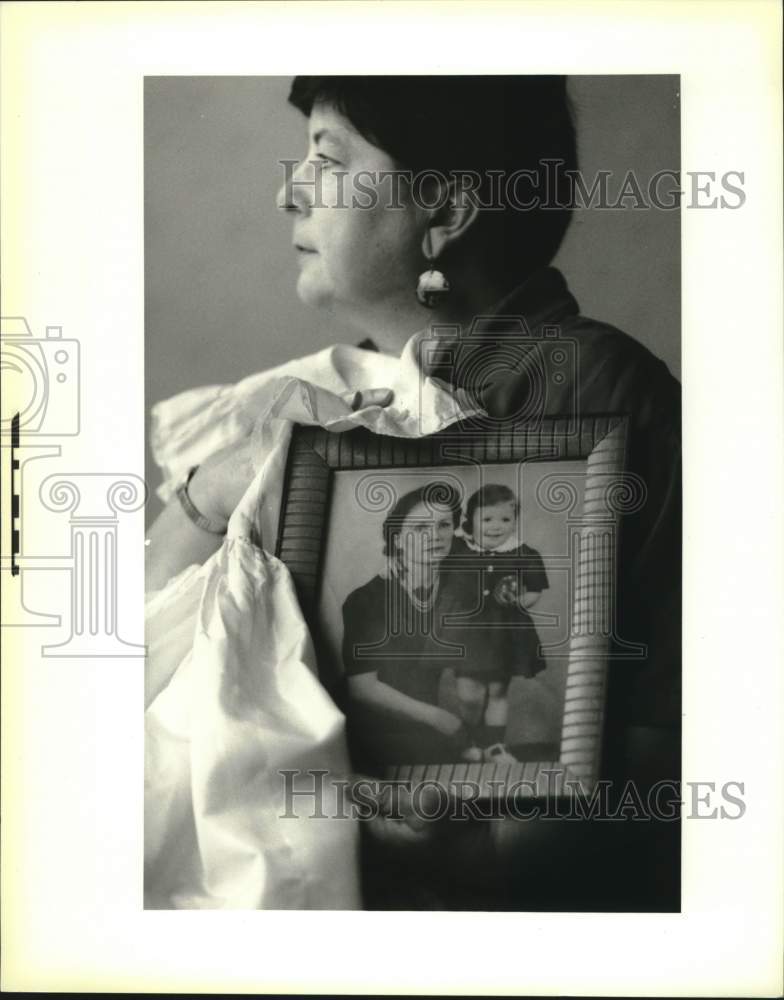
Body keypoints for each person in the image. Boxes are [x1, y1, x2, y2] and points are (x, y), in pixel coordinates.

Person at [145, 75, 681, 911]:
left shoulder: (594, 389)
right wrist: (209, 494)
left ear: (447, 212)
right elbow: (132, 640)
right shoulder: (316, 395)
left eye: (327, 159)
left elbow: (667, 734)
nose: (290, 192)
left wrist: (487, 859)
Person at [340, 482, 469, 768]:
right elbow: (362, 688)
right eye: (420, 528)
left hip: (440, 726)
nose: (435, 536)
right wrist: (438, 718)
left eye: (444, 525)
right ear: (397, 539)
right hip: (381, 733)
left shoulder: (456, 587)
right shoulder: (366, 601)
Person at [448, 483, 549, 764]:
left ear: (515, 521)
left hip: (505, 633)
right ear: (471, 521)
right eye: (487, 519)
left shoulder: (523, 553)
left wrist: (517, 601)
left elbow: (534, 591)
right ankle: (469, 739)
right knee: (469, 694)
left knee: (498, 690)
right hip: (465, 633)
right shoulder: (457, 549)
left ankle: (494, 746)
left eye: (505, 519)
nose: (496, 527)